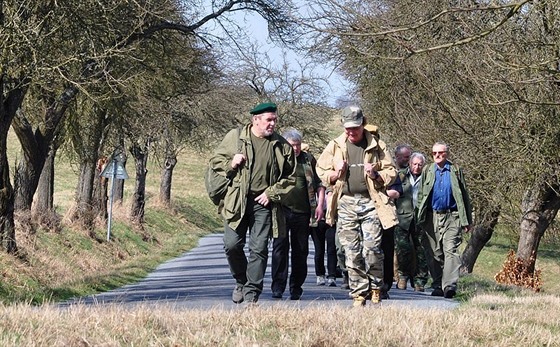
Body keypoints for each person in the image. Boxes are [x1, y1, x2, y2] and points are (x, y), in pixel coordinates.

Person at [209, 102, 296, 305]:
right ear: (255, 120)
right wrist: (231, 163)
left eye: (275, 119)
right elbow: (215, 161)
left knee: (259, 249)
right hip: (237, 200)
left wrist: (272, 192)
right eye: (269, 120)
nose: (273, 124)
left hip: (263, 203)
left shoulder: (281, 145)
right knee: (231, 245)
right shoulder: (236, 137)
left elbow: (291, 177)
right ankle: (241, 280)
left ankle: (251, 294)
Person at [316, 105, 399, 307]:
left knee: (371, 249)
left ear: (363, 124)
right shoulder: (335, 145)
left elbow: (391, 171)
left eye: (355, 127)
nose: (351, 132)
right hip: (346, 202)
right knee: (350, 252)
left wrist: (376, 175)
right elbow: (321, 169)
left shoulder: (377, 145)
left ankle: (376, 287)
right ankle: (358, 293)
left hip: (371, 202)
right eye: (347, 128)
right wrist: (335, 174)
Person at [271, 129, 325, 300]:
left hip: (303, 212)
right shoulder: (278, 159)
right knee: (280, 248)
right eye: (292, 145)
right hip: (282, 210)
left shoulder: (308, 159)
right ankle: (278, 286)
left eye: (298, 145)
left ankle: (296, 287)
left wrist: (320, 205)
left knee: (300, 251)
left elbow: (319, 183)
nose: (295, 148)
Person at [416, 142, 473, 298]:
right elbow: (421, 195)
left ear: (447, 153)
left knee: (450, 251)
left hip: (452, 216)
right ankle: (438, 284)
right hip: (431, 216)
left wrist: (467, 220)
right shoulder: (428, 170)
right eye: (434, 153)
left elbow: (464, 196)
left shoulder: (455, 171)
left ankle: (449, 286)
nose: (437, 156)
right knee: (434, 252)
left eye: (441, 153)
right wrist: (418, 218)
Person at [394, 152, 429, 291]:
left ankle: (419, 281)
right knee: (403, 249)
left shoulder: (427, 178)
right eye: (414, 164)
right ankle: (402, 277)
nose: (417, 167)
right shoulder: (401, 175)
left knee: (421, 250)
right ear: (410, 164)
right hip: (402, 217)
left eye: (420, 164)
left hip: (420, 218)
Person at [310, 189, 338, 287]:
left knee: (332, 248)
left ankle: (332, 276)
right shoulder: (314, 183)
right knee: (319, 250)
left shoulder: (334, 181)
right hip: (317, 219)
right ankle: (320, 274)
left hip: (331, 218)